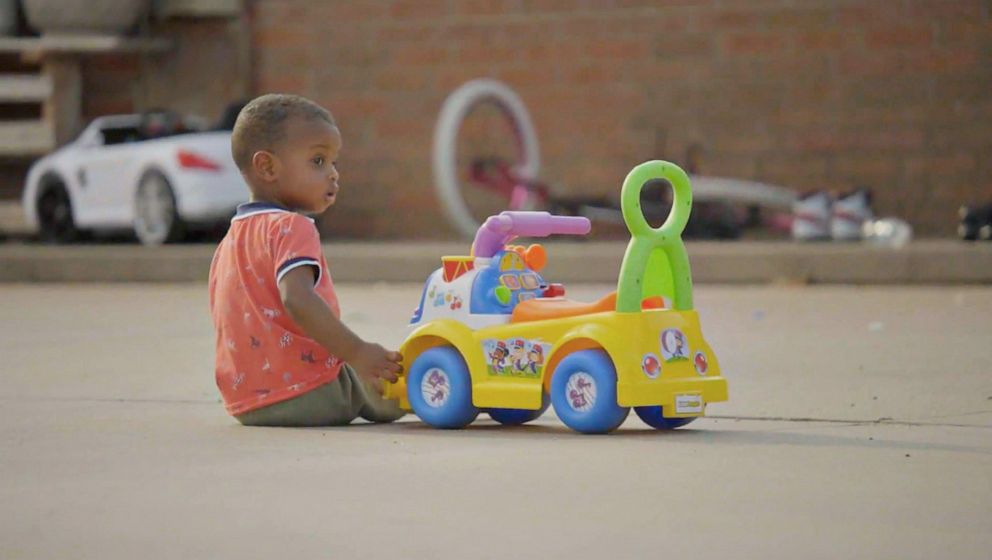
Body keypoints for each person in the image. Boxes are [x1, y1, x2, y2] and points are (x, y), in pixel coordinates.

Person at [208, 93, 404, 427]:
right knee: (387, 383)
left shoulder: (230, 240)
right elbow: (296, 298)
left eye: (333, 163)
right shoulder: (291, 227)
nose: (333, 174)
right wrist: (356, 352)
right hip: (309, 394)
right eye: (317, 161)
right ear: (267, 166)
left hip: (246, 402)